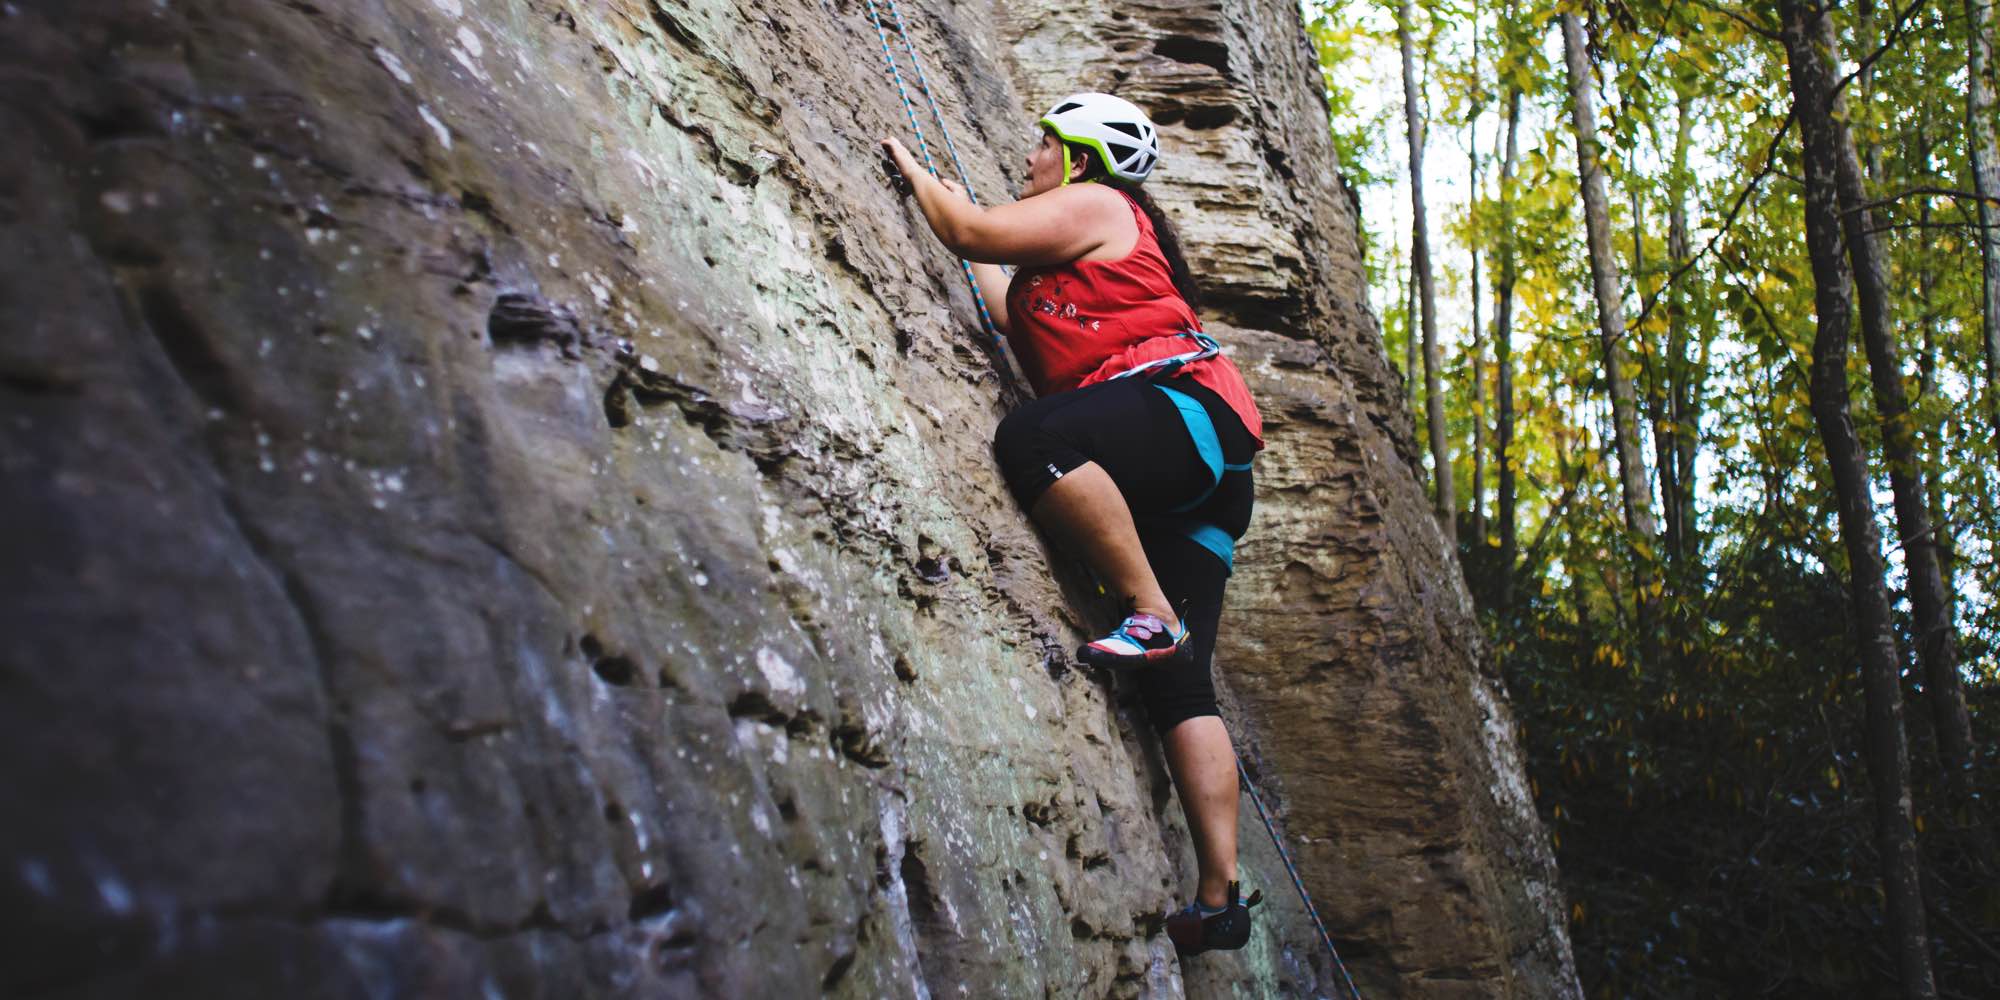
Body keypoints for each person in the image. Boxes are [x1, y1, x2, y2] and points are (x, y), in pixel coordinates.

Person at [882, 92, 1264, 956]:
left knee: (1035, 438)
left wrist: (915, 176)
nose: (1029, 158)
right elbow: (999, 288)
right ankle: (1219, 899)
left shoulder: (1101, 205)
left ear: (1080, 161)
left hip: (1182, 418)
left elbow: (971, 233)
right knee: (1180, 688)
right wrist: (951, 208)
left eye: (1044, 145)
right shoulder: (1071, 258)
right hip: (1201, 466)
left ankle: (1148, 610)